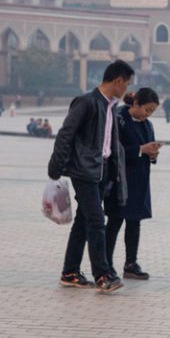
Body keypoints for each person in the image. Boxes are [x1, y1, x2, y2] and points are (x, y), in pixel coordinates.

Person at [47, 59, 134, 294]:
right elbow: (66, 134)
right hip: (84, 171)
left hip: (102, 171)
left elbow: (110, 142)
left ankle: (70, 271)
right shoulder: (86, 102)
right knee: (96, 221)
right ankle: (103, 275)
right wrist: (55, 168)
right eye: (125, 84)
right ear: (116, 81)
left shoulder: (110, 106)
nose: (126, 88)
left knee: (84, 221)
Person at [105, 89, 161, 280]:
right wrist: (139, 150)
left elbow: (147, 149)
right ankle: (105, 265)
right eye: (147, 109)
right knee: (114, 222)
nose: (148, 114)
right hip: (120, 180)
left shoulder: (148, 125)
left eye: (152, 111)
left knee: (134, 222)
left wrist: (152, 153)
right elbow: (112, 149)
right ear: (136, 103)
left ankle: (131, 263)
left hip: (139, 181)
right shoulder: (118, 118)